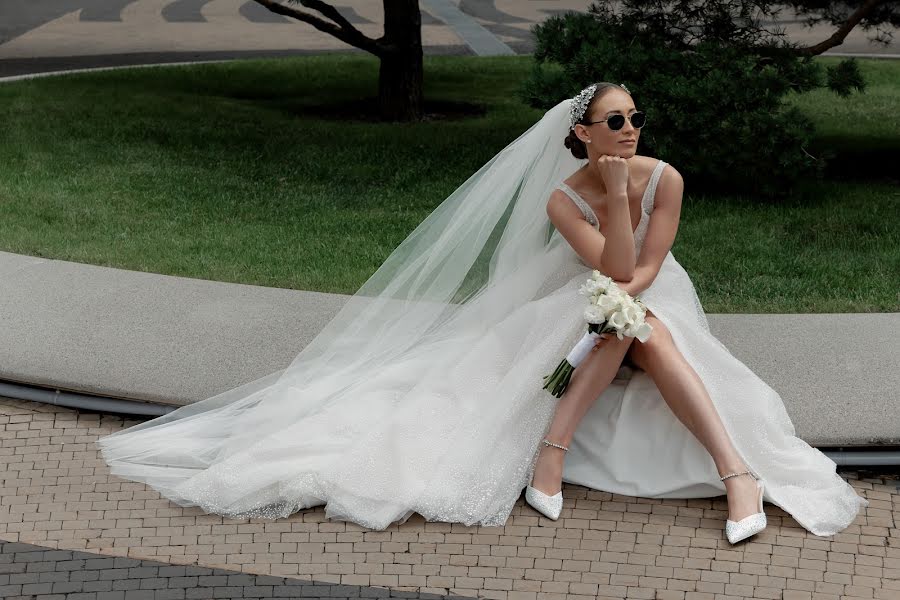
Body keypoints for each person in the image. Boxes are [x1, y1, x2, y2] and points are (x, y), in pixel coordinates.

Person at [96, 83, 868, 543]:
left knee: (642, 323)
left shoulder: (665, 176)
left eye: (635, 119)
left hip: (655, 295)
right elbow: (611, 265)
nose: (631, 131)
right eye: (615, 123)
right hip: (585, 294)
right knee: (618, 322)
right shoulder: (563, 198)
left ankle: (574, 458)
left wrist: (626, 233)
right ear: (581, 133)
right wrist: (612, 226)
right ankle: (725, 475)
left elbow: (647, 271)